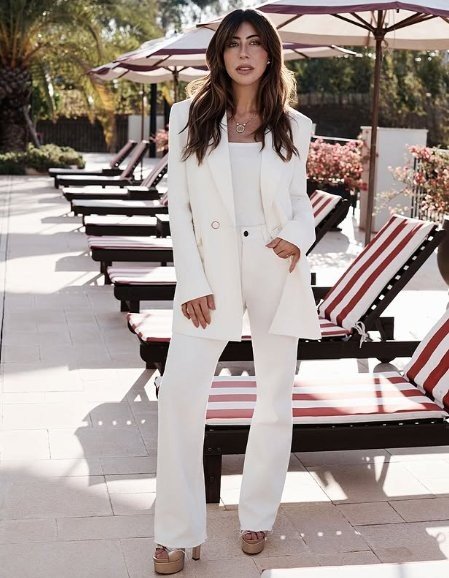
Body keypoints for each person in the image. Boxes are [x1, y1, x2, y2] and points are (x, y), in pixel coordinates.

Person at [153, 8, 321, 575]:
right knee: (180, 395)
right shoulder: (188, 118)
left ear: (270, 55)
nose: (244, 53)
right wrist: (192, 281)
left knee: (274, 397)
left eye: (255, 43)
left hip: (275, 265)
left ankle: (257, 515)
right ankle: (174, 532)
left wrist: (298, 236)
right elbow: (179, 208)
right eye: (233, 43)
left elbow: (299, 203)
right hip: (211, 274)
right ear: (219, 54)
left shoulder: (294, 126)